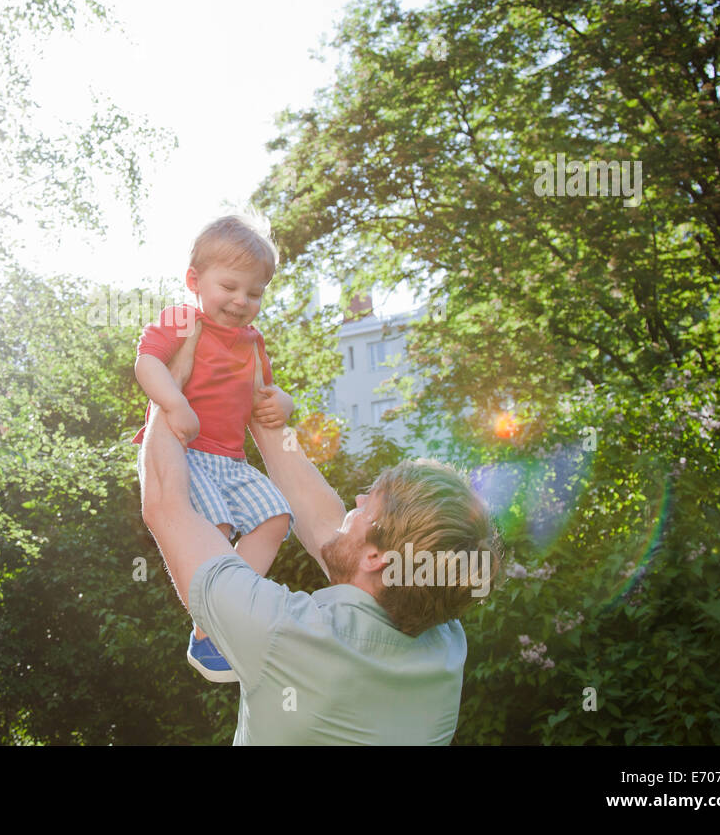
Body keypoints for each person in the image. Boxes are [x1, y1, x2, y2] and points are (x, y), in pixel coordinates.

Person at [138, 327, 503, 744]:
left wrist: (171, 385)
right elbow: (325, 525)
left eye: (369, 505)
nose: (358, 500)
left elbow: (167, 504)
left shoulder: (283, 634)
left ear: (376, 560)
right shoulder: (444, 640)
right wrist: (259, 405)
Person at [132, 214, 295, 682]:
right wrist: (174, 402)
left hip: (231, 459)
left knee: (276, 518)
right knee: (213, 528)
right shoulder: (184, 320)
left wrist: (285, 401)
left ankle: (227, 614)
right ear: (194, 281)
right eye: (229, 287)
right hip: (185, 453)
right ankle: (210, 631)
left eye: (255, 293)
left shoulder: (252, 341)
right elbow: (147, 363)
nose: (241, 301)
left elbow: (267, 390)